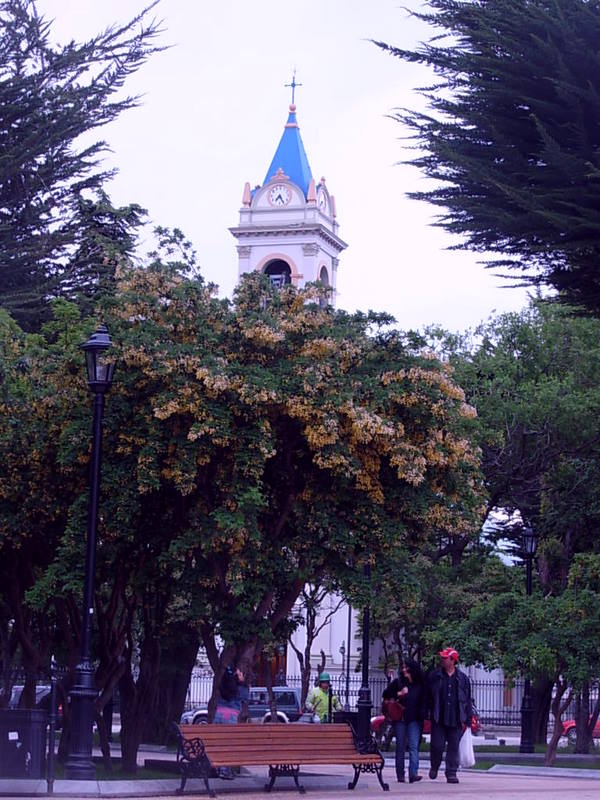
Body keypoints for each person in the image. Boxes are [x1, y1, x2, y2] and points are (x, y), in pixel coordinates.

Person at [426, 647, 473, 785]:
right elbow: (428, 696)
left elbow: (468, 700)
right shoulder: (434, 676)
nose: (442, 659)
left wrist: (468, 718)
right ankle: (434, 766)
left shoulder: (463, 679)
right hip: (439, 718)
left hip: (456, 718)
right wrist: (427, 711)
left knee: (453, 747)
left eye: (445, 658)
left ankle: (451, 773)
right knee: (437, 746)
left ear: (453, 660)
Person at [382, 659, 426, 783]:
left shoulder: (420, 685)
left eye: (407, 667)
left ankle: (413, 773)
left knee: (413, 746)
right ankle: (400, 774)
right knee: (400, 746)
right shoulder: (398, 682)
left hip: (414, 718)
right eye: (403, 667)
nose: (404, 670)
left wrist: (423, 715)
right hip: (400, 718)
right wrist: (399, 693)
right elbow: (386, 694)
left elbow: (423, 701)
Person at [214, 665, 249, 778]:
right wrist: (243, 683)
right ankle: (224, 770)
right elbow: (245, 699)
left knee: (219, 743)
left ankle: (218, 768)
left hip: (218, 715)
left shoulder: (222, 686)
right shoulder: (241, 689)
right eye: (239, 674)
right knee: (228, 744)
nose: (241, 675)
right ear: (235, 677)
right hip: (231, 717)